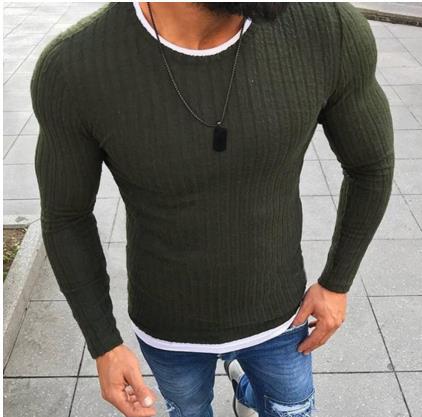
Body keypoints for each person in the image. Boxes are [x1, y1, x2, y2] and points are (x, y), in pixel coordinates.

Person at [30, 2, 394, 417]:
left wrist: (337, 283)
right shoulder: (74, 67)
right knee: (187, 410)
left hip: (282, 314)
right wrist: (104, 344)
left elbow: (371, 166)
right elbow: (67, 217)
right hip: (168, 324)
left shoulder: (329, 28)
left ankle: (245, 388)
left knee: (291, 407)